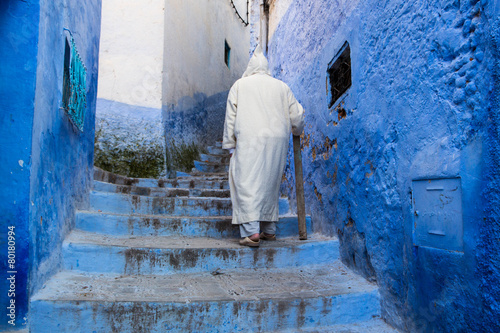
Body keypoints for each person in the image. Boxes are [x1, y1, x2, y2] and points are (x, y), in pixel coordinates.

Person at [222, 45, 305, 247]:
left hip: (249, 138)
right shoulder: (282, 87)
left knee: (246, 181)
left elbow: (230, 118)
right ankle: (269, 230)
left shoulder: (240, 85)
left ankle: (251, 233)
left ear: (250, 67)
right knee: (269, 181)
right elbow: (298, 116)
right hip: (277, 140)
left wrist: (230, 146)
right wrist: (296, 130)